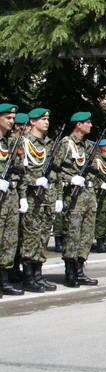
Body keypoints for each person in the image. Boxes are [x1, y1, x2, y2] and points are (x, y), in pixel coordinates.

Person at [53, 111, 101, 287]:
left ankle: (80, 270)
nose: (91, 125)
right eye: (88, 122)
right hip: (73, 196)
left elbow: (94, 170)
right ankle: (70, 272)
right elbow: (54, 170)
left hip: (88, 195)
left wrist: (93, 188)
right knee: (72, 234)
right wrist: (69, 180)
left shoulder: (88, 146)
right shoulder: (66, 144)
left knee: (87, 235)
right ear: (78, 125)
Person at [19, 107, 60, 292]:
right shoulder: (23, 142)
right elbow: (19, 172)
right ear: (32, 122)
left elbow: (56, 173)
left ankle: (38, 275)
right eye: (42, 119)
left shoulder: (49, 144)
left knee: (43, 237)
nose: (46, 122)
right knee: (31, 238)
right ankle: (28, 278)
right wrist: (31, 183)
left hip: (48, 197)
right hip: (31, 198)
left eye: (48, 119)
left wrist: (58, 197)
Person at [0, 103, 24, 296]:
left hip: (10, 196)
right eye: (8, 117)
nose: (12, 121)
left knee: (9, 240)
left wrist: (21, 196)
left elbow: (20, 170)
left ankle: (4, 280)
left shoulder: (11, 142)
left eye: (13, 118)